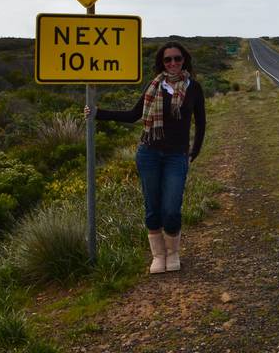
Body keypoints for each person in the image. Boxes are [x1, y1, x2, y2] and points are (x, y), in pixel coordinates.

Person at [84, 41, 206, 274]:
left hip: (176, 156)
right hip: (149, 153)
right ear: (162, 62)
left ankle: (173, 253)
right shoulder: (154, 86)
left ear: (184, 60)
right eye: (167, 59)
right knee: (153, 207)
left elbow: (200, 123)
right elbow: (133, 115)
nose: (172, 63)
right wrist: (99, 113)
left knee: (171, 208)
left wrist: (195, 150)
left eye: (177, 59)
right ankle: (158, 256)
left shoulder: (194, 88)